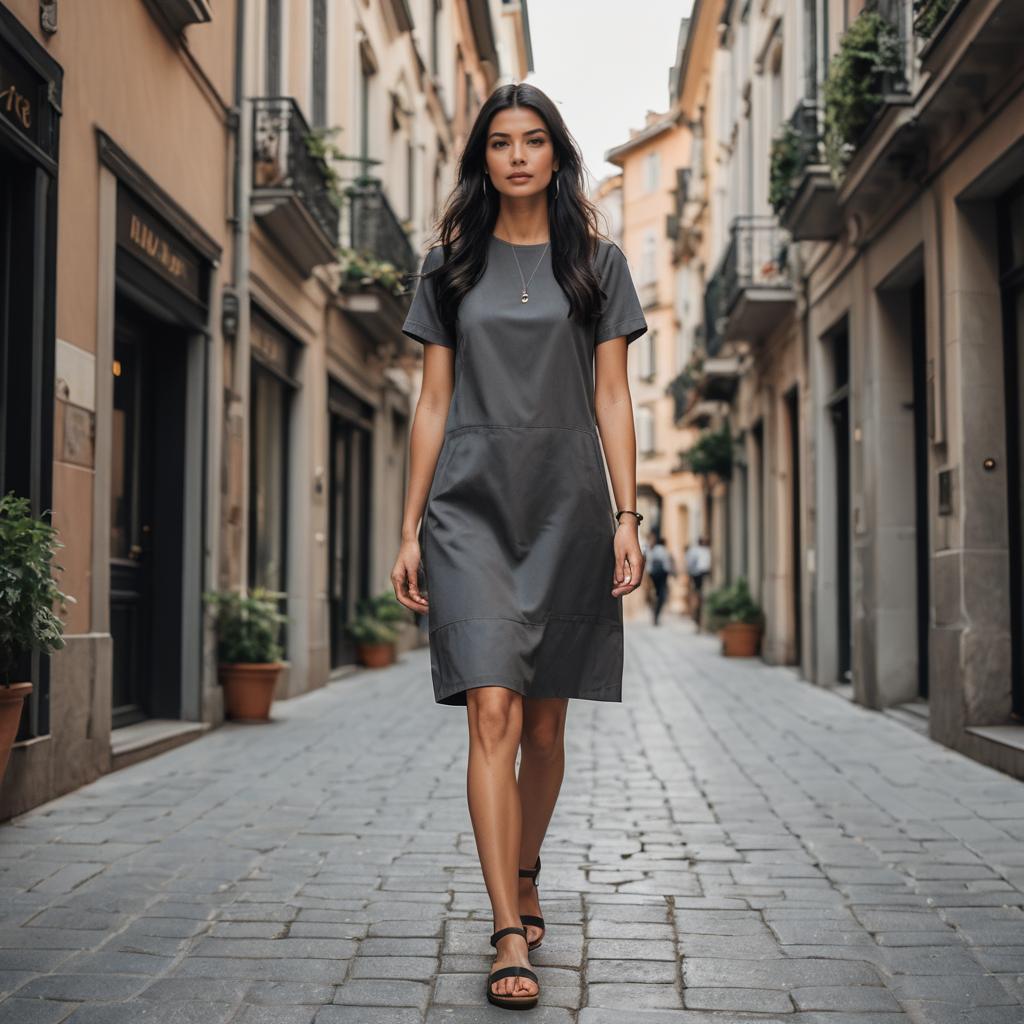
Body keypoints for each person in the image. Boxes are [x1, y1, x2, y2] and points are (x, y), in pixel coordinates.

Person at [390, 82, 648, 1011]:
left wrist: (627, 514)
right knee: (490, 711)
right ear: (483, 159)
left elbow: (613, 396)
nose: (518, 156)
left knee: (544, 726)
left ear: (556, 154)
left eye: (534, 141)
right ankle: (507, 925)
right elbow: (431, 402)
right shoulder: (448, 266)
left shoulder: (598, 265)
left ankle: (526, 863)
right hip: (468, 509)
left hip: (569, 506)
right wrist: (410, 524)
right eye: (500, 142)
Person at [646, 532, 675, 625]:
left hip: (653, 575)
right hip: (662, 576)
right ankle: (656, 614)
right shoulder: (664, 551)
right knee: (661, 595)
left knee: (656, 595)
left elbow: (649, 564)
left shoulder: (652, 550)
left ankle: (655, 613)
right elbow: (668, 565)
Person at [685, 535, 712, 626]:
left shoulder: (697, 551)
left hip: (699, 576)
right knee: (697, 596)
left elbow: (689, 565)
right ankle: (696, 614)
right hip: (699, 576)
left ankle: (697, 615)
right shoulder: (704, 551)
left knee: (697, 596)